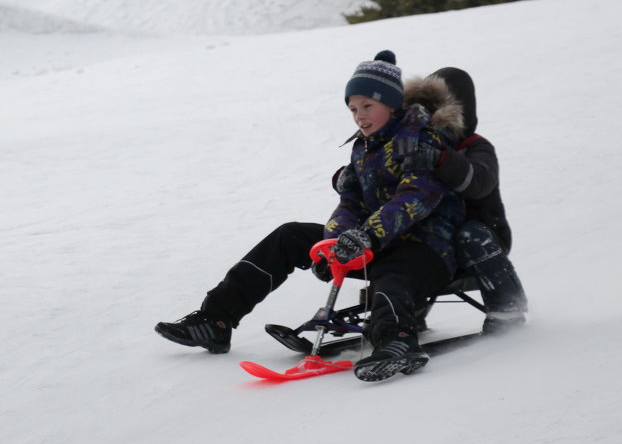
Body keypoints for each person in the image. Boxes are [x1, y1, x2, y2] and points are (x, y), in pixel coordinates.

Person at [155, 50, 466, 381]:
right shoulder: (364, 147)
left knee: (393, 270)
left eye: (367, 107)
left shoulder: (423, 140)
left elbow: (415, 198)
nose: (359, 117)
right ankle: (215, 319)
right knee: (289, 236)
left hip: (429, 246)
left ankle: (397, 341)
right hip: (378, 242)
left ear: (391, 104)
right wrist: (335, 240)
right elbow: (351, 202)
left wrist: (368, 235)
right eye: (353, 109)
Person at [403, 68, 528, 334]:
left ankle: (507, 306)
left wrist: (442, 158)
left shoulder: (477, 147)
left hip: (483, 232)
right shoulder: (416, 144)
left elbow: (478, 183)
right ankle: (402, 312)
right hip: (435, 234)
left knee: (469, 234)